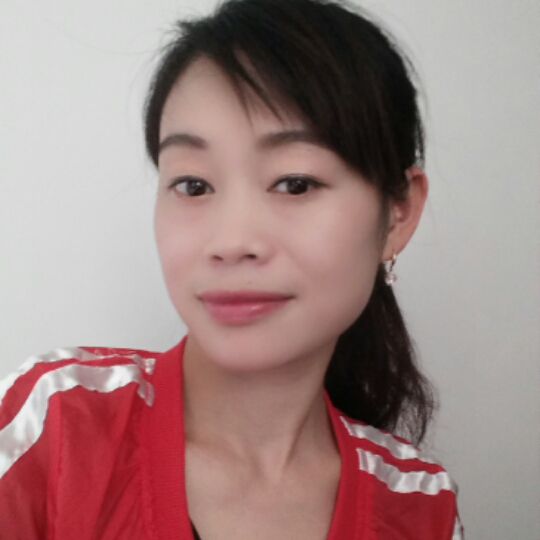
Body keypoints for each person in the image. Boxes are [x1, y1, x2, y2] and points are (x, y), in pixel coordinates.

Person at [0, 0, 464, 538]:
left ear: (398, 214)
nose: (231, 242)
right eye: (193, 185)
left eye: (295, 183)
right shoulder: (52, 426)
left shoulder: (420, 506)